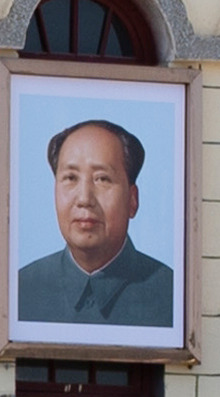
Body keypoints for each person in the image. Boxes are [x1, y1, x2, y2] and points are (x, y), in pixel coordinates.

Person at [16, 118, 174, 327]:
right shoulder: (21, 290)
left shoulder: (173, 295)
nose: (84, 199)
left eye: (102, 179)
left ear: (132, 200)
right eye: (71, 178)